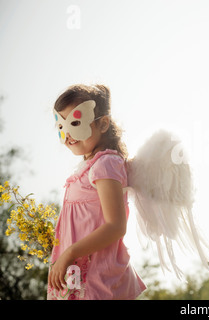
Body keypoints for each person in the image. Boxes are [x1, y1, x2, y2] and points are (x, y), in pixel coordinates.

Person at [47, 84, 147, 300]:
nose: (67, 134)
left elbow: (116, 226)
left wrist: (70, 253)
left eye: (75, 123)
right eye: (61, 125)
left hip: (97, 277)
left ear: (102, 124)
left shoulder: (106, 164)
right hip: (78, 275)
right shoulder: (88, 169)